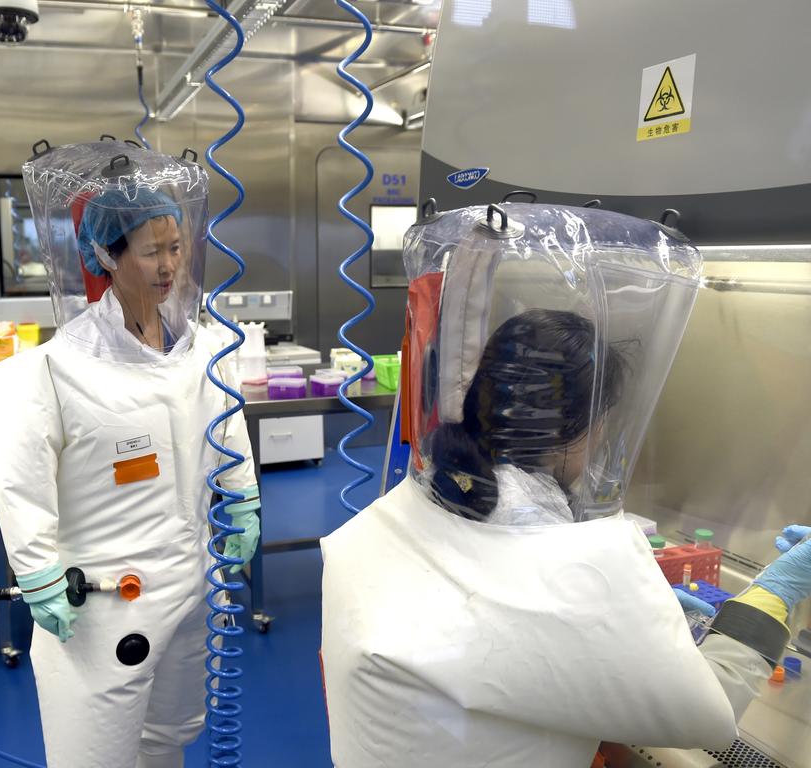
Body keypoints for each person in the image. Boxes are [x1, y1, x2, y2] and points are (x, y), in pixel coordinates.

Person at [320, 204, 810, 767]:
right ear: (587, 429)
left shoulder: (400, 513)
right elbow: (712, 712)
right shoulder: (574, 563)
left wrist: (631, 619)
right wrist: (777, 591)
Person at [0, 141, 260, 768]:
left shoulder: (205, 350)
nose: (168, 266)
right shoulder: (51, 372)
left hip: (190, 589)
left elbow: (226, 429)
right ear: (106, 256)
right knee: (97, 754)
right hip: (104, 606)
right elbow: (21, 483)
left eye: (176, 247)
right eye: (151, 250)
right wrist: (38, 572)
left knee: (170, 737)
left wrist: (242, 496)